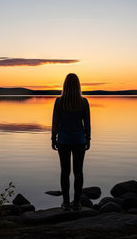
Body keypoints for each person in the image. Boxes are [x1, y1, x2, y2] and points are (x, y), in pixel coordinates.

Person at [51, 73, 91, 211]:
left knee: (65, 172)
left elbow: (55, 122)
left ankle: (66, 202)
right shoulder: (83, 102)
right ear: (78, 85)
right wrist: (88, 139)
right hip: (79, 141)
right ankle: (77, 203)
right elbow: (87, 124)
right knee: (78, 172)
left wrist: (53, 138)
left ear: (65, 85)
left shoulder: (59, 101)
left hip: (63, 141)